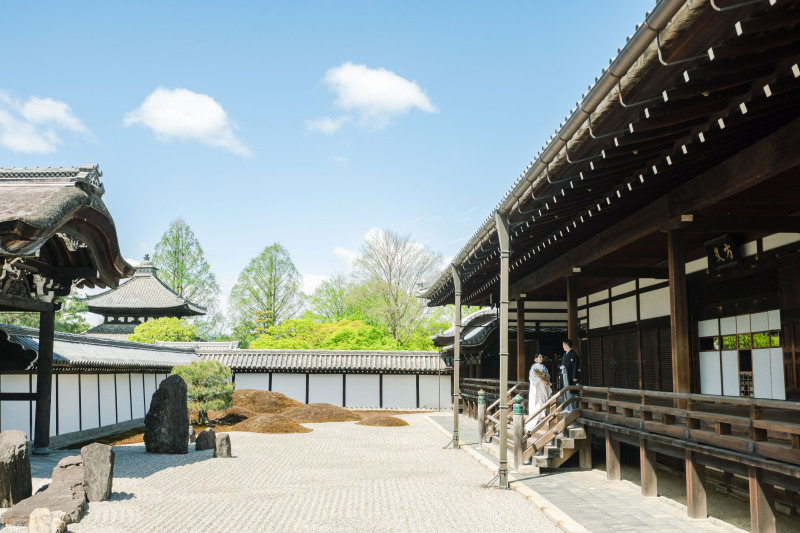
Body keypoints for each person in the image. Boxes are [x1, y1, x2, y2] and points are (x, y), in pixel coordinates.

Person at [525, 353, 552, 432]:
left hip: (543, 385)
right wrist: (541, 380)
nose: (541, 358)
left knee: (543, 399)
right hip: (537, 385)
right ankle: (537, 414)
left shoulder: (544, 367)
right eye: (540, 357)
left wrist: (546, 380)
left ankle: (542, 414)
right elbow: (533, 377)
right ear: (536, 359)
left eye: (542, 357)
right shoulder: (534, 366)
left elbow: (547, 375)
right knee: (537, 399)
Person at [560, 339, 580, 413]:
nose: (563, 347)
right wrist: (560, 374)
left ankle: (572, 409)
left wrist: (575, 377)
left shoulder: (573, 354)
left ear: (566, 345)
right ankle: (566, 408)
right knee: (565, 391)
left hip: (570, 376)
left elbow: (575, 366)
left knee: (571, 392)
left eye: (563, 345)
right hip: (564, 375)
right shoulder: (564, 355)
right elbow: (561, 365)